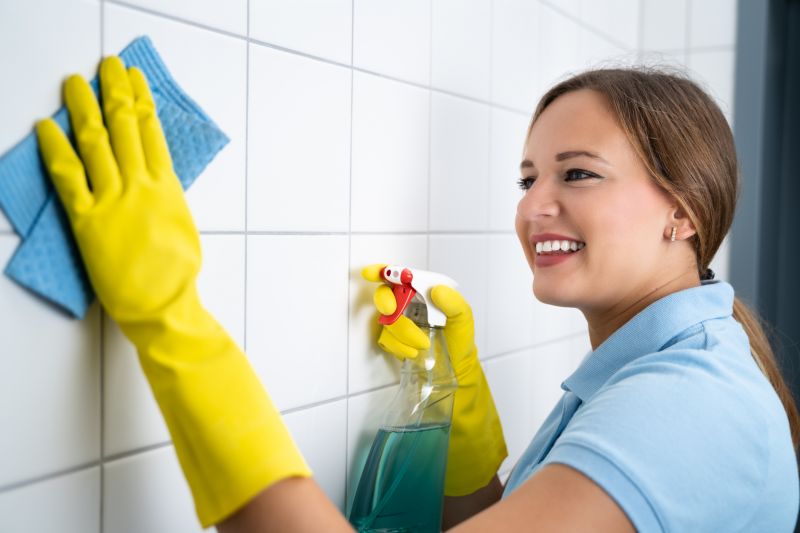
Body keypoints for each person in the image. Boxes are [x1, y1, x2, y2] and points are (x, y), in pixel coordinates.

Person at [36, 56, 799, 532]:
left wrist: (171, 317)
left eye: (578, 173)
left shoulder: (687, 404)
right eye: (527, 179)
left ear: (682, 212)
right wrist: (463, 433)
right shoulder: (657, 370)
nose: (534, 207)